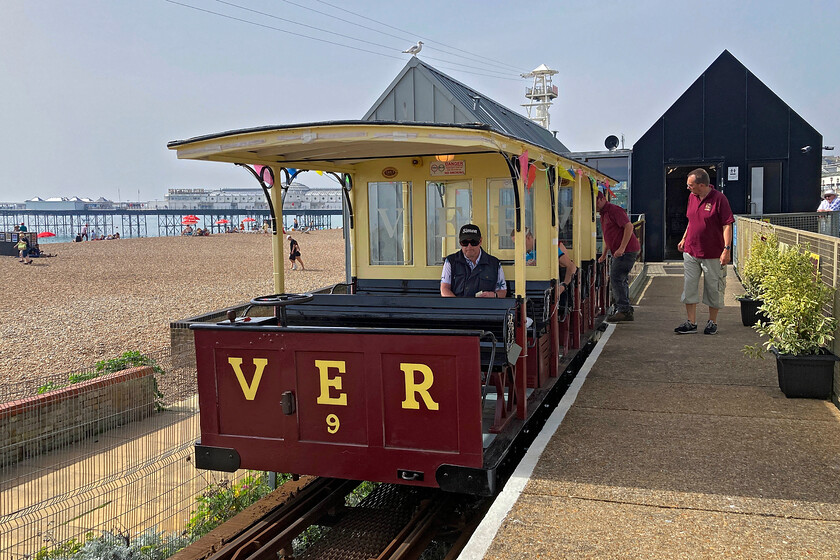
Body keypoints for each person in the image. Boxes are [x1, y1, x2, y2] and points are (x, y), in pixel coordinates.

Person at [675, 169, 734, 335]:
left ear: (702, 185)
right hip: (691, 251)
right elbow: (692, 221)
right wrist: (684, 238)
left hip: (713, 253)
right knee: (689, 286)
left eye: (691, 185)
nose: (688, 188)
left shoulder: (719, 199)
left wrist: (726, 250)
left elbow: (727, 225)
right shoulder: (692, 197)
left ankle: (712, 322)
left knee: (713, 287)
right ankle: (691, 322)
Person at [597, 191, 641, 322]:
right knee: (621, 279)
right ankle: (625, 308)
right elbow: (608, 236)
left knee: (616, 277)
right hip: (619, 250)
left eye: (596, 203)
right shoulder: (603, 214)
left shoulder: (614, 210)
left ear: (602, 199)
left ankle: (623, 309)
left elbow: (629, 226)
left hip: (626, 250)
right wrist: (604, 253)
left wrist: (622, 248)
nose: (595, 206)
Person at [441, 224, 506, 298]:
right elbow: (444, 289)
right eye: (464, 242)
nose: (469, 246)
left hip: (485, 308)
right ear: (460, 242)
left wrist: (494, 295)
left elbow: (502, 291)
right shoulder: (450, 261)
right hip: (458, 308)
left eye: (473, 242)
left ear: (480, 241)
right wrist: (458, 306)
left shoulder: (495, 263)